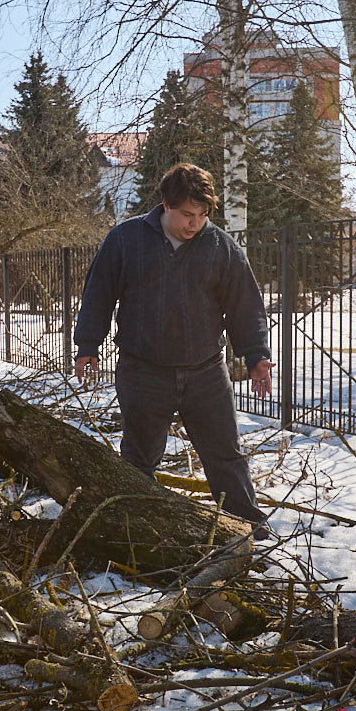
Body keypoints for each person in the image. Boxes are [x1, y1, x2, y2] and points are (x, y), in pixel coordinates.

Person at [73, 163, 274, 535]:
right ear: (166, 205)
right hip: (143, 370)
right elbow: (98, 293)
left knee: (225, 454)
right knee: (139, 458)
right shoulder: (127, 239)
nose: (194, 223)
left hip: (206, 371)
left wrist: (256, 355)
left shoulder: (220, 247)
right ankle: (134, 529)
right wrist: (88, 344)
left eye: (202, 214)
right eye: (186, 214)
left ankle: (248, 528)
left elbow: (245, 305)